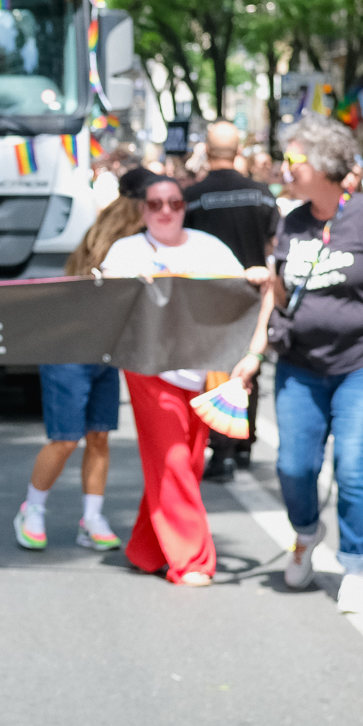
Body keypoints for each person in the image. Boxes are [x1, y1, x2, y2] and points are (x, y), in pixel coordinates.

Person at [231, 114, 363, 613]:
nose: (285, 168)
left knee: (353, 465)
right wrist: (253, 353)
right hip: (301, 365)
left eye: (294, 159)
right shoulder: (292, 220)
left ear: (323, 165)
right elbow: (278, 296)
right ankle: (306, 533)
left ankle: (355, 567)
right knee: (293, 466)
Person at [99, 170, 267, 585]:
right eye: (155, 204)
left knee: (185, 462)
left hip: (201, 369)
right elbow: (107, 296)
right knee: (172, 458)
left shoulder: (209, 247)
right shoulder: (126, 250)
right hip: (149, 367)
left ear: (184, 208)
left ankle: (146, 549)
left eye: (174, 203)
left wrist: (255, 278)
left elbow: (241, 291)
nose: (165, 212)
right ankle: (191, 560)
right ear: (143, 210)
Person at [13, 188, 140, 552]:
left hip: (103, 352)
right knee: (66, 438)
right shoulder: (109, 251)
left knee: (99, 436)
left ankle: (92, 518)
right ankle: (32, 508)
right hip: (69, 350)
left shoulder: (130, 247)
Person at [183, 121, 279, 475]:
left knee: (216, 371)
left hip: (208, 295)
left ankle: (222, 448)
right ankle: (243, 446)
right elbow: (274, 245)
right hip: (252, 294)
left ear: (206, 153)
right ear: (239, 152)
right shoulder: (262, 193)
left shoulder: (192, 196)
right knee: (248, 368)